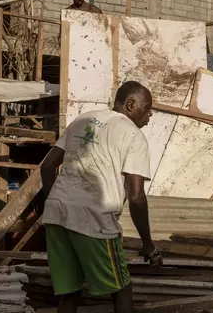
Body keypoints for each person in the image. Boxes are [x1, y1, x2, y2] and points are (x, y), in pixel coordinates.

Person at [40, 81, 162, 313]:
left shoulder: (82, 120)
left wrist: (55, 202)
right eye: (147, 108)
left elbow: (47, 167)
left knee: (69, 294)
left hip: (56, 215)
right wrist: (147, 243)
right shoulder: (133, 136)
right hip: (94, 220)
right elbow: (136, 197)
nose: (150, 114)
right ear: (130, 104)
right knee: (121, 288)